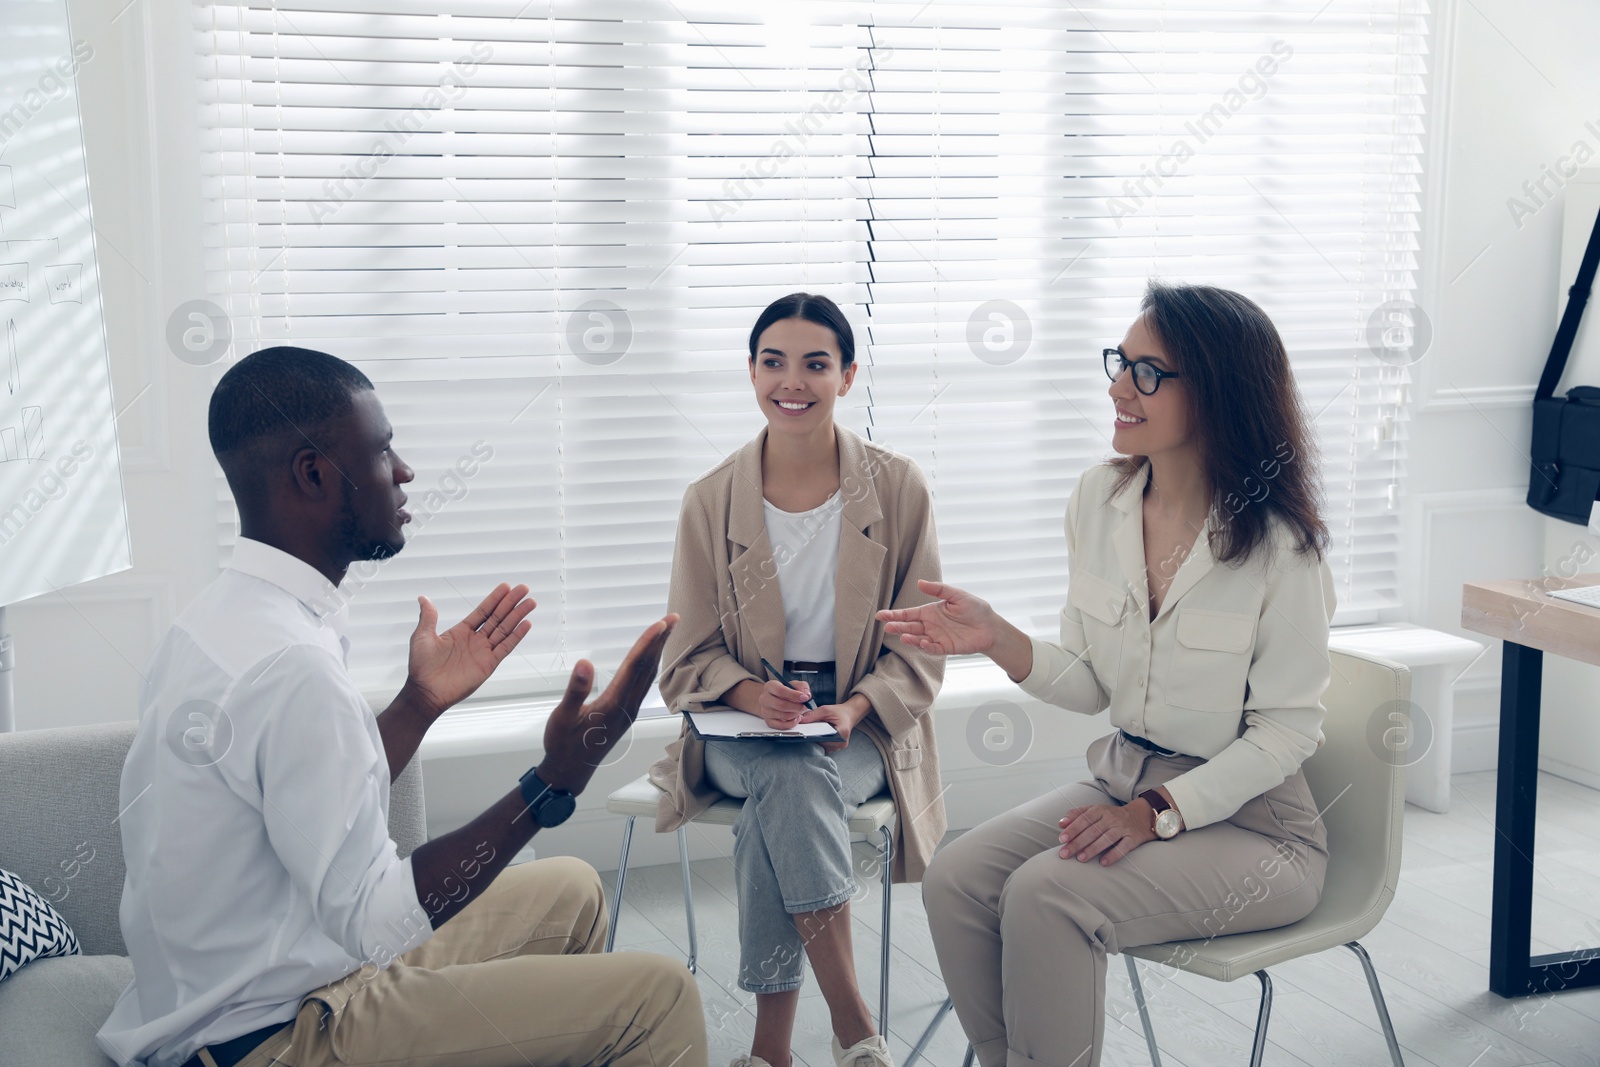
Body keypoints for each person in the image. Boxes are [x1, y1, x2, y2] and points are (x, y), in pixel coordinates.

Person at [96, 346, 705, 1067]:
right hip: (267, 1039)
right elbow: (375, 919)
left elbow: (303, 797)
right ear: (314, 472)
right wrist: (555, 782)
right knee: (658, 995)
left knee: (572, 888)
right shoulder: (291, 664)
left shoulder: (223, 619)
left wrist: (417, 704)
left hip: (269, 979)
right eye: (382, 449)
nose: (405, 470)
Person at [881, 283, 1336, 1067]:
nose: (1120, 386)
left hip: (1259, 830)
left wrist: (1158, 810)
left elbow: (1288, 731)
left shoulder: (1280, 546)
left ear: (1220, 389)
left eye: (1148, 372)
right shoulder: (1100, 498)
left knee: (1046, 892)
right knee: (956, 879)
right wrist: (996, 637)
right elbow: (1090, 682)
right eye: (1120, 363)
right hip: (1124, 782)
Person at [649, 294, 945, 1067]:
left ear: (847, 376)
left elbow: (921, 650)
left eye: (816, 364)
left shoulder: (900, 486)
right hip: (735, 731)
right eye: (773, 362)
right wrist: (749, 694)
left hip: (859, 726)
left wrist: (852, 706)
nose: (793, 381)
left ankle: (770, 1049)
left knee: (786, 791)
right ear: (751, 371)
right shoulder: (709, 500)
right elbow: (681, 661)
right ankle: (856, 1032)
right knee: (785, 769)